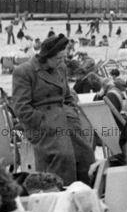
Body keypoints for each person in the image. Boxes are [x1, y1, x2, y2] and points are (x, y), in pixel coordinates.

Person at [12, 34, 95, 186]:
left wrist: (73, 113)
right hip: (43, 126)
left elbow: (67, 95)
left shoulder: (60, 67)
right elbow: (21, 108)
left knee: (86, 155)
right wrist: (43, 122)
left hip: (67, 120)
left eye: (63, 58)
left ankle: (84, 194)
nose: (61, 62)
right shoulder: (24, 71)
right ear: (46, 56)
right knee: (63, 157)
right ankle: (59, 195)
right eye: (58, 58)